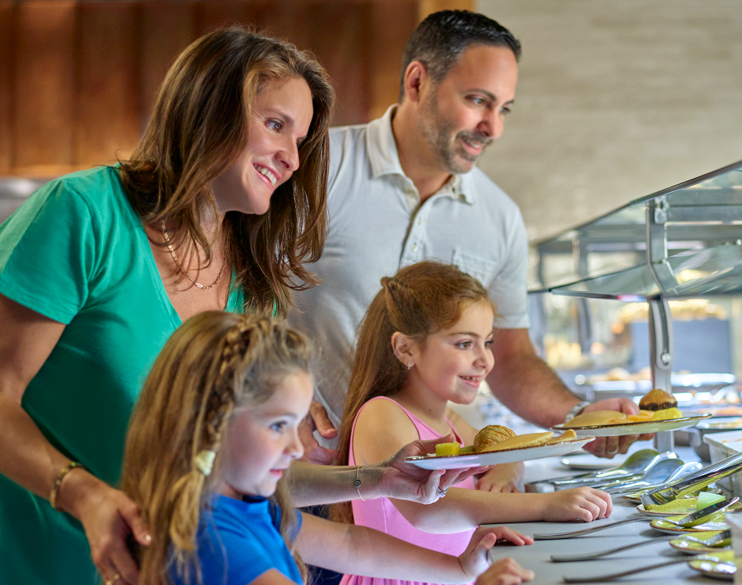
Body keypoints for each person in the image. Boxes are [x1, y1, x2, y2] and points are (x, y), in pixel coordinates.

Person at [0, 27, 472, 585]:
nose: (292, 159)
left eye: (300, 140)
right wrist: (83, 496)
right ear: (206, 109)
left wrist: (374, 479)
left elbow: (245, 475)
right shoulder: (84, 215)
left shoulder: (253, 289)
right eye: (275, 125)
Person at [291, 10, 648, 464]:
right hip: (308, 468)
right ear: (417, 82)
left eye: (504, 109)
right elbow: (237, 298)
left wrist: (578, 415)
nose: (493, 127)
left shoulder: (500, 217)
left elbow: (512, 357)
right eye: (479, 101)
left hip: (438, 481)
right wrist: (274, 388)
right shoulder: (318, 169)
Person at [122, 311, 533, 585]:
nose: (294, 447)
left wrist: (460, 569)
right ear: (209, 421)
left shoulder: (247, 506)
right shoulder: (216, 541)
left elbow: (354, 546)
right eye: (278, 425)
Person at [334, 261, 612, 585]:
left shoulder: (445, 417)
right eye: (465, 344)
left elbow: (504, 451)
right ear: (405, 348)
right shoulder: (382, 414)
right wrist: (544, 504)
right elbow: (427, 509)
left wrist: (505, 469)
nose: (485, 360)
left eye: (488, 342)